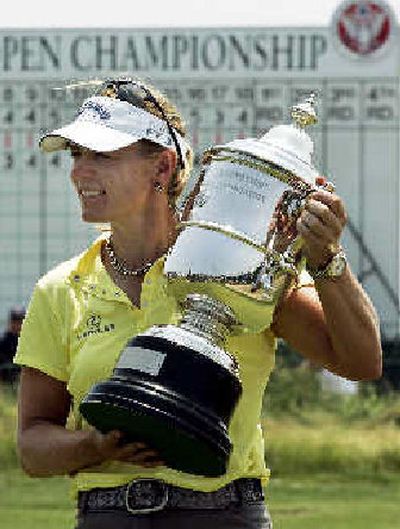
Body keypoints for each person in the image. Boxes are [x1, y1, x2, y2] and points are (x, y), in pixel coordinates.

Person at [14, 77, 382, 529]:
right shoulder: (60, 288)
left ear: (162, 168)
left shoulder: (241, 265)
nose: (80, 172)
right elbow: (32, 446)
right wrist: (94, 447)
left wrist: (326, 257)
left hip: (223, 513)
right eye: (77, 155)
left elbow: (361, 362)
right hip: (105, 517)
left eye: (102, 156)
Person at [0, 306, 25, 385]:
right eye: (15, 321)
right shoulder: (4, 341)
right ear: (10, 323)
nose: (18, 325)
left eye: (20, 322)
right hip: (8, 377)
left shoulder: (27, 342)